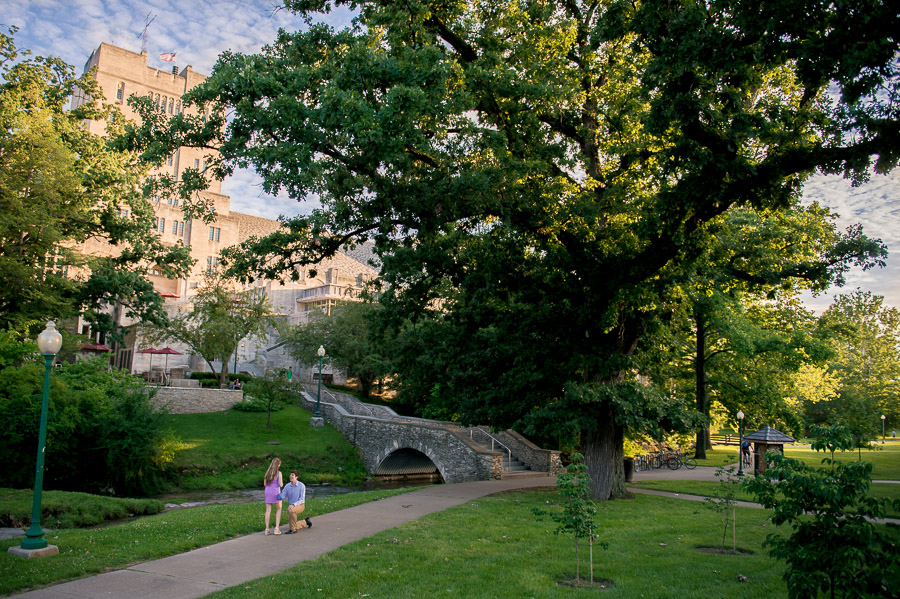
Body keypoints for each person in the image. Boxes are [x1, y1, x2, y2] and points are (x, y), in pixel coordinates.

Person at [263, 457, 283, 535]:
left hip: (267, 492)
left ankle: (267, 529)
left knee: (268, 510)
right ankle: (276, 528)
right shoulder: (279, 473)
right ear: (278, 465)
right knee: (278, 509)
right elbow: (280, 484)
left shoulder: (267, 473)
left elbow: (265, 484)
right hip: (275, 492)